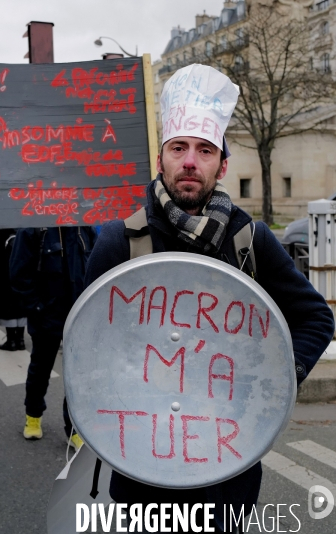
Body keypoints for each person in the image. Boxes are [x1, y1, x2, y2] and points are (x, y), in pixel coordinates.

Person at [84, 64, 335, 532]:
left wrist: (278, 382)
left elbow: (317, 319)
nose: (191, 162)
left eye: (204, 150)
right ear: (161, 159)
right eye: (179, 148)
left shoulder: (250, 240)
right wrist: (89, 422)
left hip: (228, 476)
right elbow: (85, 344)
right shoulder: (120, 241)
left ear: (223, 162)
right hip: (143, 471)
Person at [10, 226, 97, 445]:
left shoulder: (83, 227)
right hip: (46, 316)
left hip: (79, 315)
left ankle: (75, 428)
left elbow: (95, 265)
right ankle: (33, 416)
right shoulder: (32, 229)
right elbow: (19, 274)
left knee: (77, 376)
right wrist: (37, 309)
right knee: (40, 369)